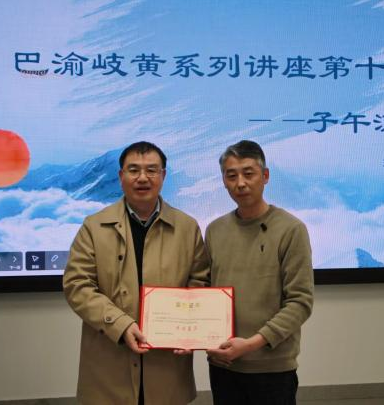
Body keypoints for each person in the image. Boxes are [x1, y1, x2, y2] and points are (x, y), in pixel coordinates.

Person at [63, 141, 209, 405]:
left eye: (151, 170)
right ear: (121, 176)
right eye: (134, 170)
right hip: (109, 366)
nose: (143, 177)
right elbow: (77, 285)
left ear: (163, 175)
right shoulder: (94, 227)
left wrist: (191, 328)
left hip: (166, 367)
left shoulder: (187, 228)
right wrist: (121, 325)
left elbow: (200, 283)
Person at [205, 140, 314, 405]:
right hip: (224, 364)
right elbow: (205, 292)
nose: (240, 183)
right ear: (224, 181)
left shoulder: (291, 229)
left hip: (272, 368)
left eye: (248, 173)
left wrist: (252, 344)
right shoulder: (215, 230)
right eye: (231, 176)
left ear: (265, 176)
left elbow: (300, 302)